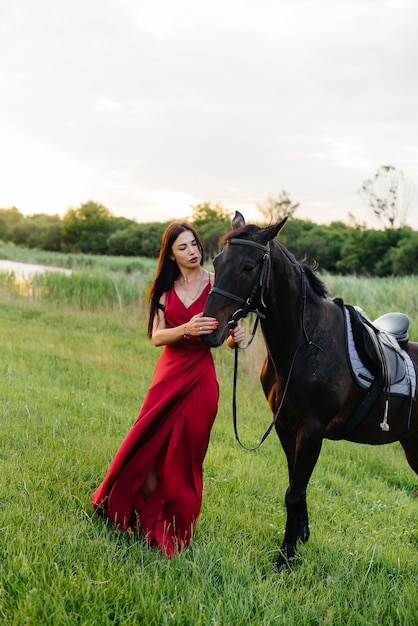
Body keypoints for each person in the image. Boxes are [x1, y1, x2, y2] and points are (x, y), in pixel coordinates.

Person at [92, 221, 244, 557]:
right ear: (171, 255)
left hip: (201, 376)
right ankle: (143, 511)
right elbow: (157, 337)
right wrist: (186, 328)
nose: (193, 252)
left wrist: (238, 340)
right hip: (169, 373)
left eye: (195, 245)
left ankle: (173, 527)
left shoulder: (217, 285)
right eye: (183, 248)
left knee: (187, 453)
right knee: (147, 441)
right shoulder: (164, 291)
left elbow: (228, 336)